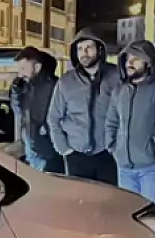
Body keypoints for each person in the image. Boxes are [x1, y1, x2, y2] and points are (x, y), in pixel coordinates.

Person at [105, 39, 155, 204]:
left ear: (148, 62)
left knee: (150, 217)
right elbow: (111, 121)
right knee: (128, 216)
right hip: (124, 167)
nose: (130, 63)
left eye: (136, 59)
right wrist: (113, 146)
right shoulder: (120, 90)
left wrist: (153, 147)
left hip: (152, 167)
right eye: (127, 59)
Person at [46, 28, 120, 184]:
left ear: (99, 50)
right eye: (80, 49)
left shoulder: (116, 77)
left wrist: (116, 147)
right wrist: (64, 149)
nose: (84, 53)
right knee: (80, 202)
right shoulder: (66, 82)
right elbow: (54, 118)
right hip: (76, 155)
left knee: (110, 202)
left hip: (108, 154)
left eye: (88, 48)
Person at [10, 47, 61, 173]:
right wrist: (15, 92)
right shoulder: (26, 87)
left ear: (37, 67)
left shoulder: (54, 87)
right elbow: (18, 112)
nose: (20, 74)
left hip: (46, 150)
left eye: (23, 69)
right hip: (32, 146)